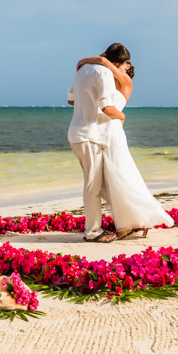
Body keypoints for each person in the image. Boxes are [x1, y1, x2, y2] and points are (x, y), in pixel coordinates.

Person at [76, 55, 174, 240]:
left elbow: (105, 65)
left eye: (120, 66)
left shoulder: (126, 81)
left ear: (125, 66)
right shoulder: (107, 83)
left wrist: (90, 61)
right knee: (111, 181)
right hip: (103, 132)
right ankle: (127, 223)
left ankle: (132, 222)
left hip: (113, 131)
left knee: (121, 175)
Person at [67, 43, 129, 243]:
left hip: (77, 133)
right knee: (93, 185)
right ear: (117, 63)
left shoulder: (82, 70)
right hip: (91, 135)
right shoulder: (104, 74)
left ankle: (126, 220)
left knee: (98, 184)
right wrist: (122, 116)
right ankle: (93, 231)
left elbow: (71, 101)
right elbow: (107, 108)